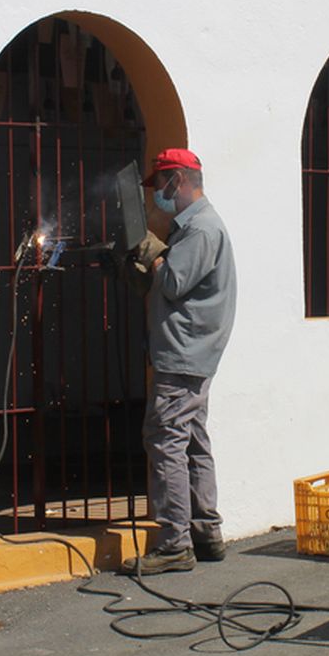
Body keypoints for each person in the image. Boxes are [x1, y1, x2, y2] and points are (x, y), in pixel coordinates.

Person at [121, 148, 238, 575]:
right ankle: (205, 531)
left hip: (184, 354)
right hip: (192, 353)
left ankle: (174, 543)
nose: (158, 197)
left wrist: (152, 253)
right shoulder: (195, 228)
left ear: (179, 180)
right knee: (192, 440)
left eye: (162, 186)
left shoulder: (201, 230)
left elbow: (171, 281)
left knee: (165, 437)